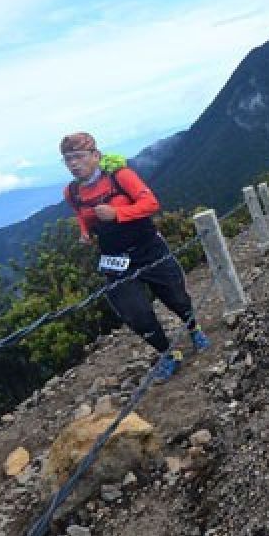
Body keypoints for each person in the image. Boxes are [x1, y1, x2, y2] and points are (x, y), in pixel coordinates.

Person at [60, 132, 209, 381]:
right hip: (113, 257)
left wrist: (116, 213)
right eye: (67, 159)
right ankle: (167, 353)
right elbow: (81, 214)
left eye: (78, 157)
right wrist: (85, 232)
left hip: (148, 246)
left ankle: (194, 329)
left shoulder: (121, 177)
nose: (73, 164)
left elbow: (150, 204)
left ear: (95, 156)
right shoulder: (72, 192)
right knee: (134, 312)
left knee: (176, 296)